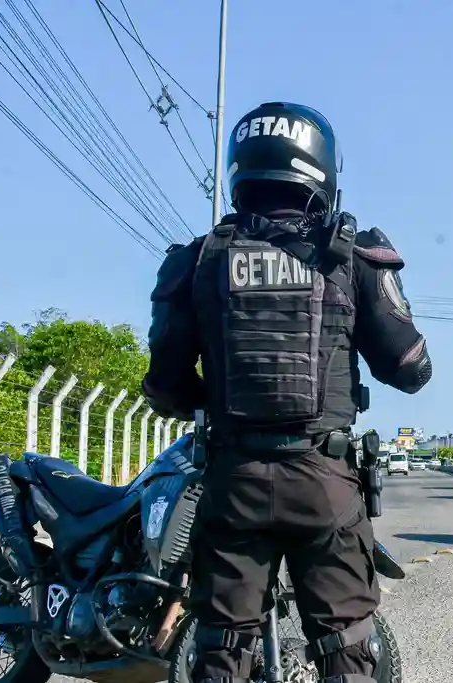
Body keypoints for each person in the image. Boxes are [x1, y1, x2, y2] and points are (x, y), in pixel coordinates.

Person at [142, 101, 433, 683]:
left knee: (222, 648)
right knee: (347, 647)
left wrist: (221, 391)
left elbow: (165, 384)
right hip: (323, 481)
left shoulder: (198, 259)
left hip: (234, 480)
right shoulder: (353, 256)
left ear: (240, 168)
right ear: (323, 169)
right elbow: (409, 368)